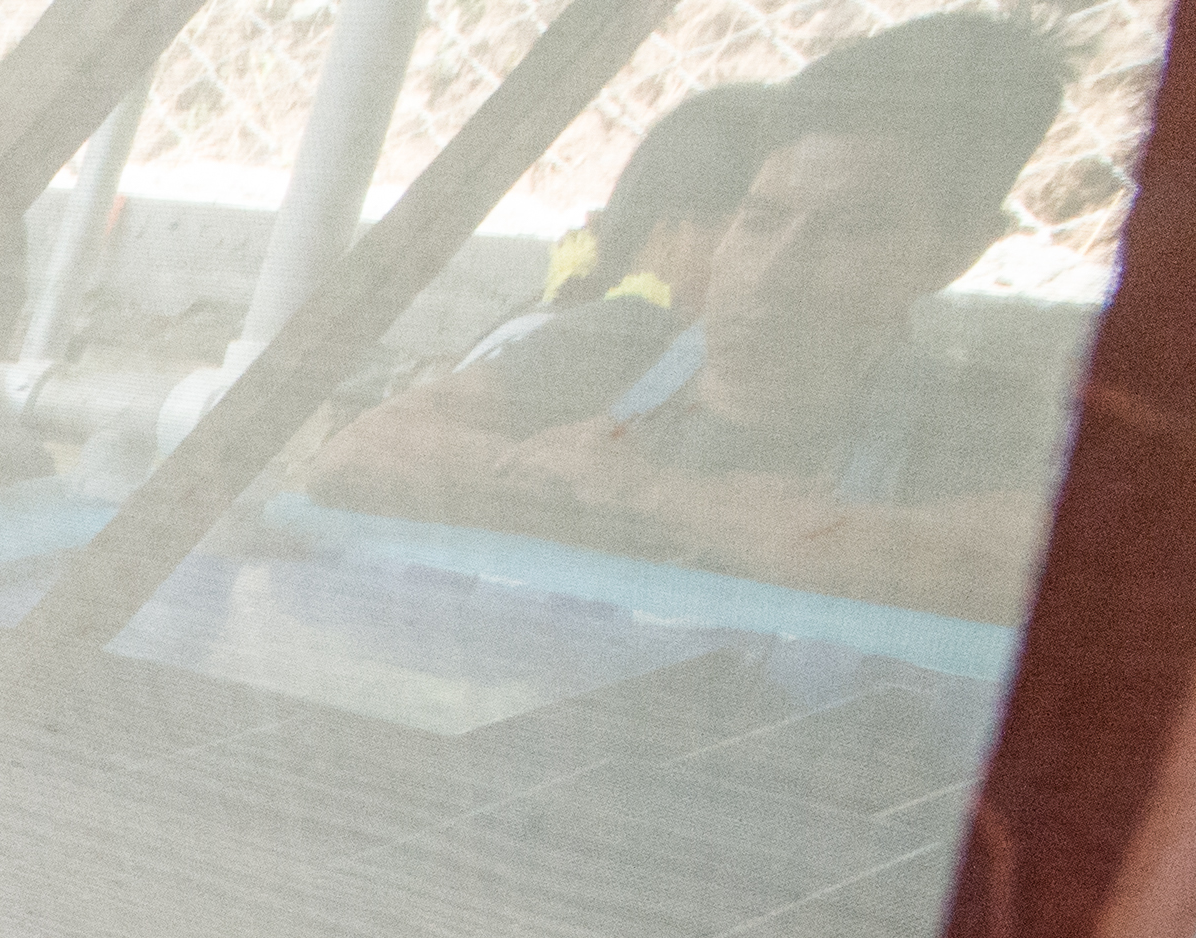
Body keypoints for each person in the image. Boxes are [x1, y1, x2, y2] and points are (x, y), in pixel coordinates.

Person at [333, 18, 1073, 620]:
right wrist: (761, 528)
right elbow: (367, 448)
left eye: (847, 228)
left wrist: (641, 492)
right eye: (760, 218)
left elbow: (1015, 574)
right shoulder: (612, 346)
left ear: (954, 254)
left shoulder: (982, 422)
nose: (773, 268)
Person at [302, 83, 785, 517]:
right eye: (759, 226)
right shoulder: (626, 331)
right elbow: (380, 443)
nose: (783, 264)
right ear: (670, 234)